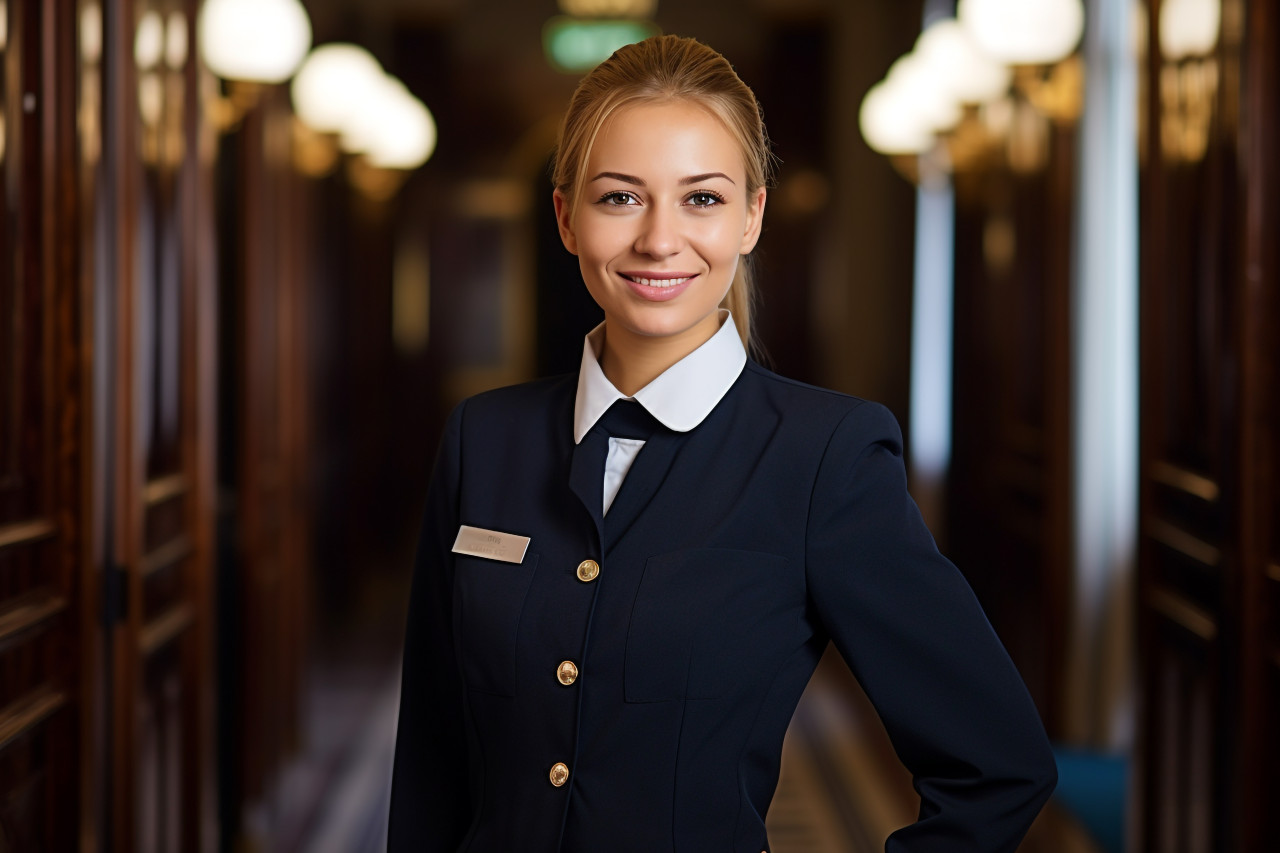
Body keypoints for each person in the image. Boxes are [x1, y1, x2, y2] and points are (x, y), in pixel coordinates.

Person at [388, 34, 1056, 853]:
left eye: (701, 199)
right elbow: (430, 760)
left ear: (752, 216)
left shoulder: (825, 457)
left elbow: (999, 766)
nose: (660, 240)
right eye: (620, 198)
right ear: (566, 217)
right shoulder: (482, 438)